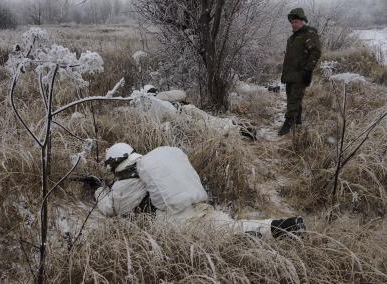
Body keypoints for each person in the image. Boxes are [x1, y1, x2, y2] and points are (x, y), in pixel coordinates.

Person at [94, 143, 306, 239]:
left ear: (114, 166)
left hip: (177, 222)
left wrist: (98, 190)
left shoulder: (123, 186)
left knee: (231, 235)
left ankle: (281, 230)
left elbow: (109, 208)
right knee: (232, 228)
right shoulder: (150, 167)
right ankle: (282, 227)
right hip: (195, 204)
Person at [279, 8, 321, 136]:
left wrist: (308, 70)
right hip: (290, 75)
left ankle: (288, 123)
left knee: (294, 99)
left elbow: (315, 52)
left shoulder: (309, 34)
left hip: (300, 74)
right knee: (293, 98)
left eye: (296, 21)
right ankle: (297, 123)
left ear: (303, 21)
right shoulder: (292, 38)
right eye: (292, 22)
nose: (293, 24)